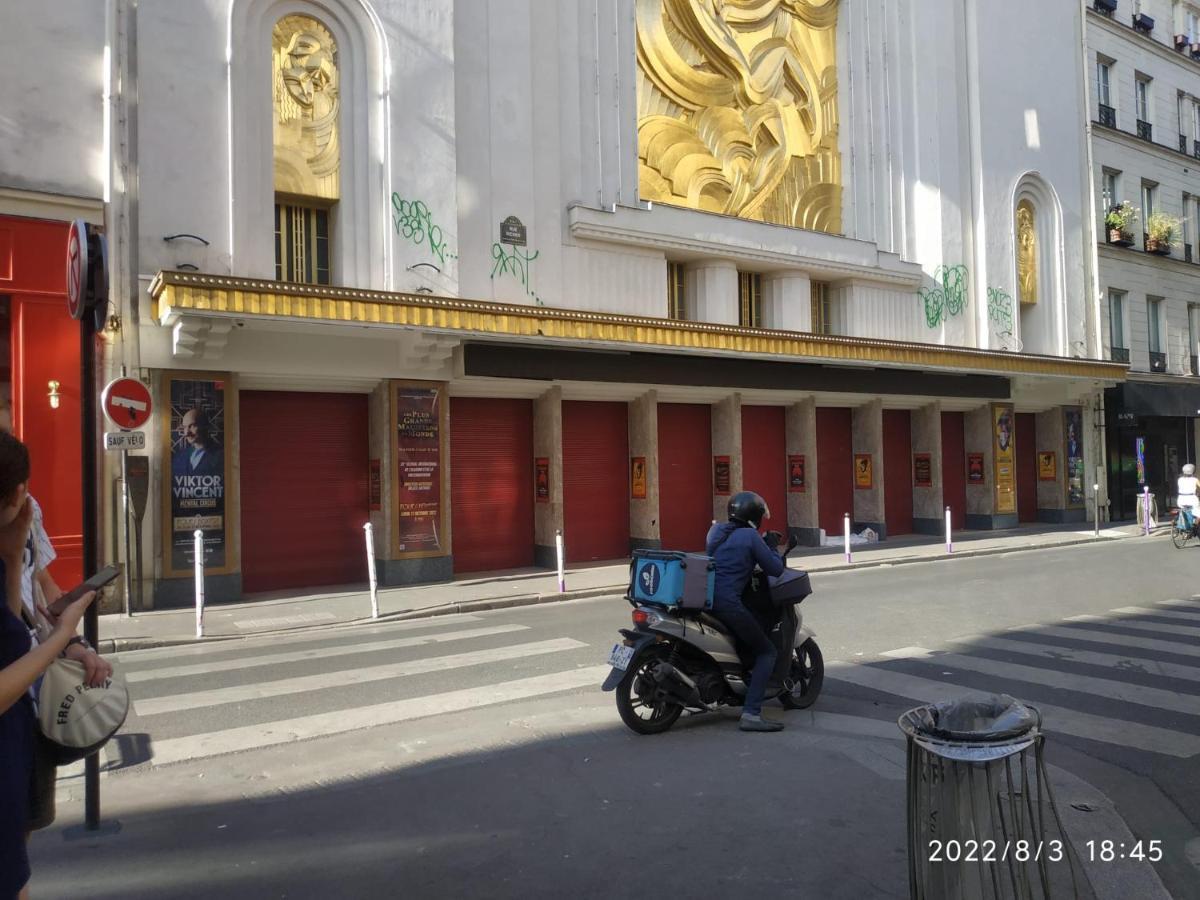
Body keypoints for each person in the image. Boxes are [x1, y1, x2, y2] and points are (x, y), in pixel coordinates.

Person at [0, 430, 96, 900]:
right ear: (17, 490)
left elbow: (35, 590)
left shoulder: (25, 517)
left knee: (18, 844)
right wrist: (61, 636)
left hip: (22, 716)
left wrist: (73, 644)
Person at [705, 490, 793, 733]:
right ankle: (752, 713)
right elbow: (775, 569)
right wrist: (772, 546)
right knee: (767, 652)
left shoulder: (715, 531)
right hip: (728, 603)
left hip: (706, 601)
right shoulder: (750, 536)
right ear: (755, 516)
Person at [171, 407, 223, 477]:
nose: (186, 433)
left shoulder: (222, 456)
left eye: (192, 426)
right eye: (184, 427)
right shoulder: (179, 457)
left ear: (205, 426)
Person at [1179, 463, 1199, 532]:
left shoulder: (1180, 479)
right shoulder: (1195, 480)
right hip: (1192, 500)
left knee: (1183, 510)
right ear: (1193, 471)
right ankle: (1194, 526)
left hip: (1180, 501)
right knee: (1198, 513)